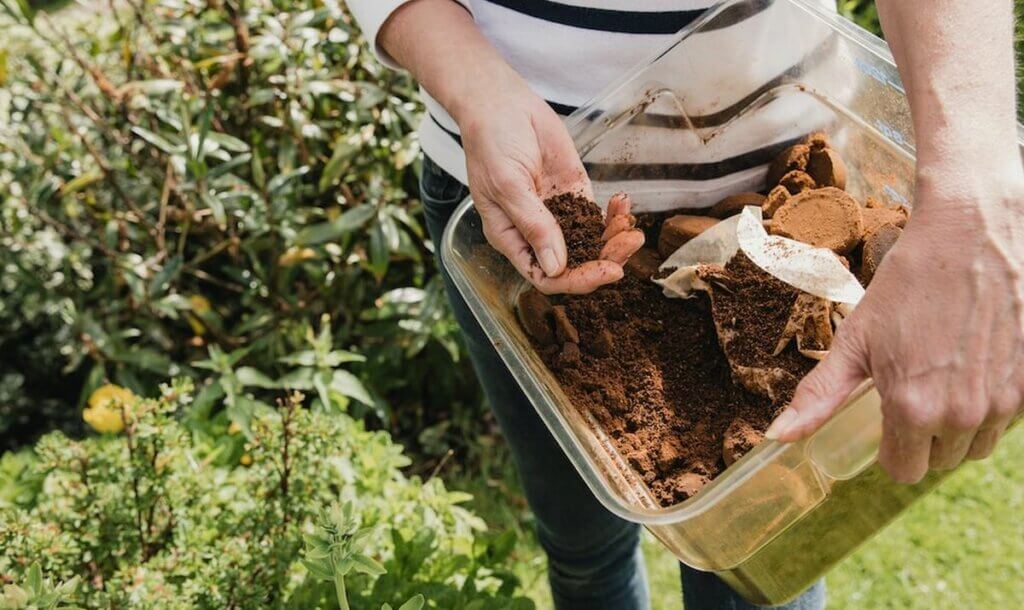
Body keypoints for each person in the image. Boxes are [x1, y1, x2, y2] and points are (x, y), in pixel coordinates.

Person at [348, 0, 1024, 608]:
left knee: (759, 581)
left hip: (779, 191)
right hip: (518, 202)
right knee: (583, 548)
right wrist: (478, 89)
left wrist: (971, 193)